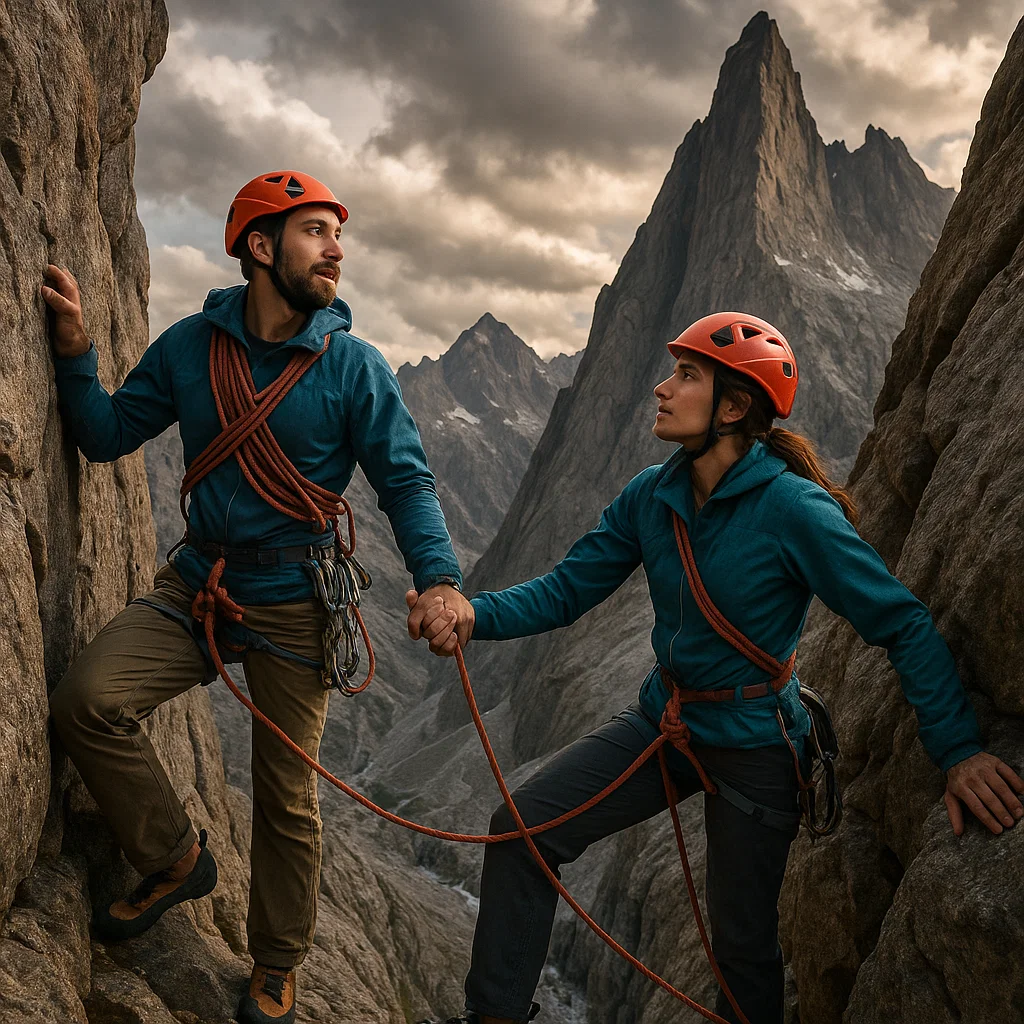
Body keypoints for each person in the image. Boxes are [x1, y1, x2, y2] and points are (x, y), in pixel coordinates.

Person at [409, 312, 1024, 1024]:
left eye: (686, 376)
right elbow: (570, 588)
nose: (663, 390)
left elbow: (901, 621)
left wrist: (960, 753)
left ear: (732, 407)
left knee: (741, 954)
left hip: (757, 745)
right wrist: (470, 613)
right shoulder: (653, 494)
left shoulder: (795, 510)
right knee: (521, 832)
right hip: (666, 721)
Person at [43, 169, 474, 1024]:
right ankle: (175, 857)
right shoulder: (188, 350)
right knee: (86, 701)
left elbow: (407, 483)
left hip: (295, 600)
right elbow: (104, 436)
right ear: (260, 247)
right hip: (199, 581)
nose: (336, 249)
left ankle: (275, 965)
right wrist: (76, 353)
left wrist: (440, 580)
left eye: (336, 234)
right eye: (315, 232)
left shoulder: (353, 368)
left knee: (285, 796)